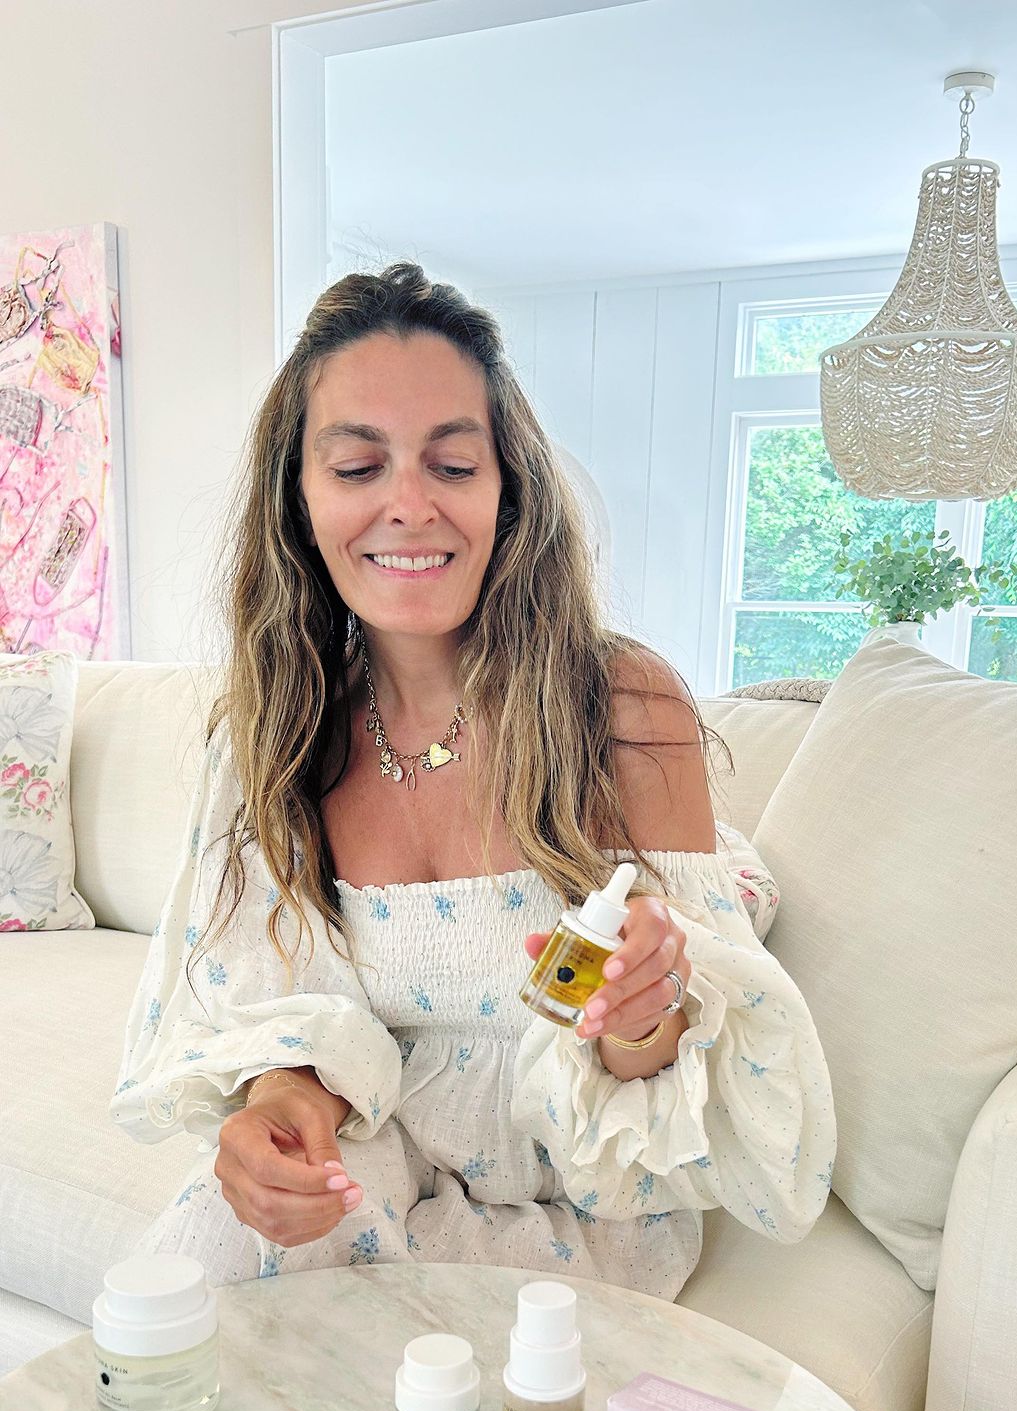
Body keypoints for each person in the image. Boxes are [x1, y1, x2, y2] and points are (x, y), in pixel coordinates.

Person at [112, 261, 835, 1292]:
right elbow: (292, 1012)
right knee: (199, 1278)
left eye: (453, 465)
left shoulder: (621, 708)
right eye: (357, 467)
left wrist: (641, 1012)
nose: (410, 506)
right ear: (299, 500)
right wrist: (280, 1110)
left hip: (590, 1202)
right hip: (385, 1149)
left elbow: (663, 1100)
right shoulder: (280, 731)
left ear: (508, 490)